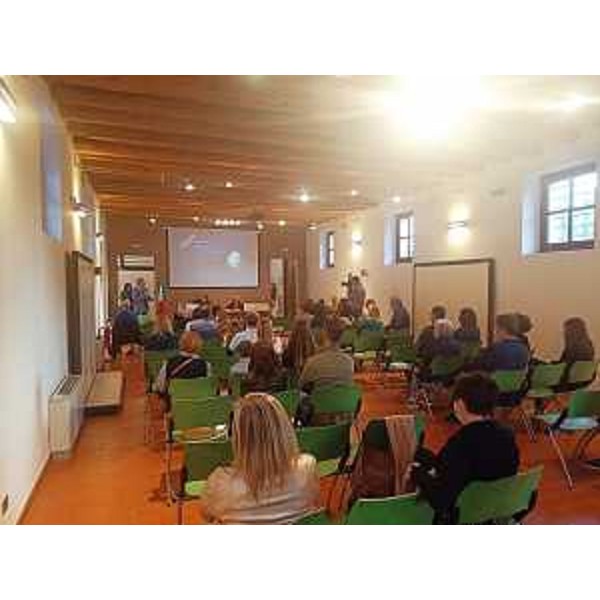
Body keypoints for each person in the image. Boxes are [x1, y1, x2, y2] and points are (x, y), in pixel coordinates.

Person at [411, 372, 520, 519]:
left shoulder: (461, 443)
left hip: (463, 514)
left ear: (460, 404)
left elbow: (440, 499)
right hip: (495, 509)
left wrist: (417, 473)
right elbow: (456, 468)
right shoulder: (507, 436)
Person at [201, 393, 320, 524]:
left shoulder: (220, 483)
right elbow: (313, 501)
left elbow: (206, 515)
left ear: (237, 436)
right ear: (284, 428)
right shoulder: (308, 468)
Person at [298, 316, 354, 393]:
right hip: (344, 400)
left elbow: (300, 386)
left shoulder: (313, 362)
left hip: (318, 400)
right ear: (342, 337)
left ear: (324, 334)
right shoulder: (349, 362)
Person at [155, 331, 210, 398]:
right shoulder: (205, 365)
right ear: (199, 346)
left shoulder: (169, 363)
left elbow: (160, 387)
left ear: (180, 344)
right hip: (199, 402)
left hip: (175, 402)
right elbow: (208, 388)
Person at [555, 317, 595, 390]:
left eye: (566, 331)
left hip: (569, 383)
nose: (564, 333)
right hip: (582, 382)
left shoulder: (573, 348)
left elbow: (565, 366)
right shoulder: (589, 345)